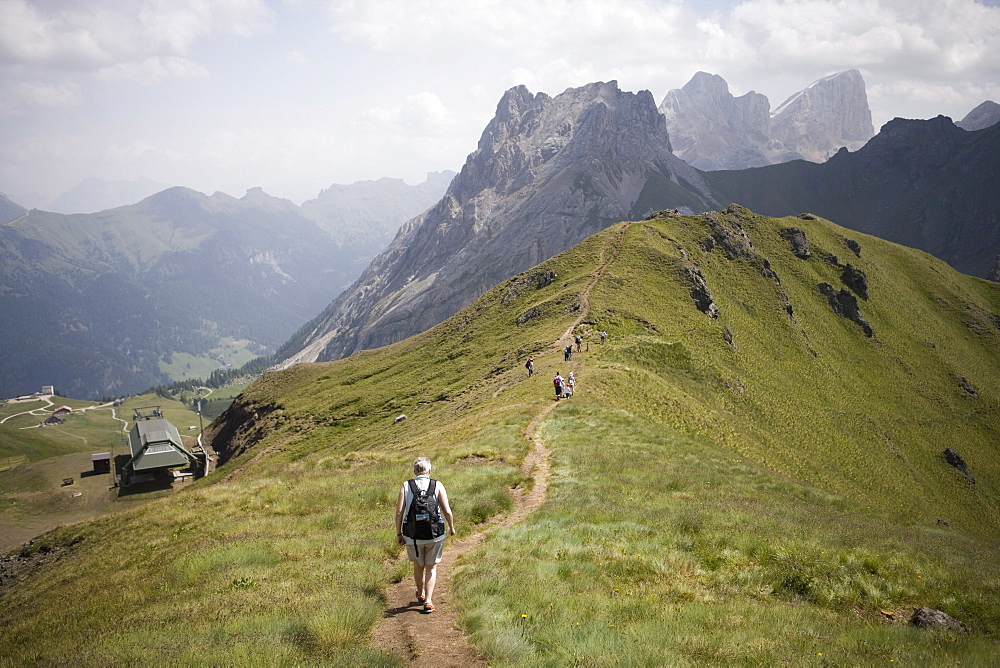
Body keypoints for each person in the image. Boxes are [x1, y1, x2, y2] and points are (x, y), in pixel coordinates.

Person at [395, 457, 455, 613]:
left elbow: (399, 512)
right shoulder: (437, 485)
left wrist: (399, 533)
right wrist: (451, 527)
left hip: (412, 535)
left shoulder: (406, 486)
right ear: (429, 470)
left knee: (418, 565)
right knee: (431, 567)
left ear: (415, 471)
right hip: (435, 534)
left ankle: (420, 593)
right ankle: (428, 601)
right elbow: (447, 511)